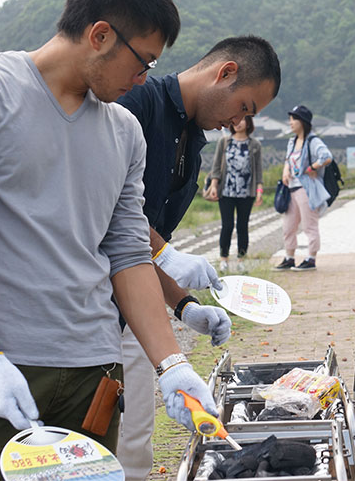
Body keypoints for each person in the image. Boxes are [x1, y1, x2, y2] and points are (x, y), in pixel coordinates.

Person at [0, 0, 219, 478]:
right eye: (141, 62)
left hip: (93, 375)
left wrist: (174, 364)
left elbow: (127, 256)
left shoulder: (124, 131)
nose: (143, 79)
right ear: (100, 35)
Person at [115, 36, 280, 479]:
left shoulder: (192, 137)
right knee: (95, 438)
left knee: (135, 440)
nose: (238, 122)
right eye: (244, 107)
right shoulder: (137, 104)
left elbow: (146, 251)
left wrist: (185, 306)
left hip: (133, 304)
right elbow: (109, 207)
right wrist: (165, 252)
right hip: (86, 299)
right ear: (225, 72)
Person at [275, 105, 333, 271]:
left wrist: (312, 168)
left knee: (309, 225)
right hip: (291, 189)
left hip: (306, 190)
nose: (291, 122)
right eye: (290, 119)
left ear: (303, 122)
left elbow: (326, 156)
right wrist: (285, 172)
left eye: (294, 119)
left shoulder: (313, 141)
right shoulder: (292, 141)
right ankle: (289, 257)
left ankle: (311, 258)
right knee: (288, 226)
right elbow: (288, 160)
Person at [206, 116, 264, 273]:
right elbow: (216, 166)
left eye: (242, 120)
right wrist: (213, 185)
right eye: (235, 121)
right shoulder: (224, 142)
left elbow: (258, 170)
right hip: (226, 191)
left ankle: (241, 259)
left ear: (249, 123)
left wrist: (259, 190)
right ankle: (223, 258)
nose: (238, 124)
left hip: (247, 193)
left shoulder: (255, 144)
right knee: (227, 225)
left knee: (242, 226)